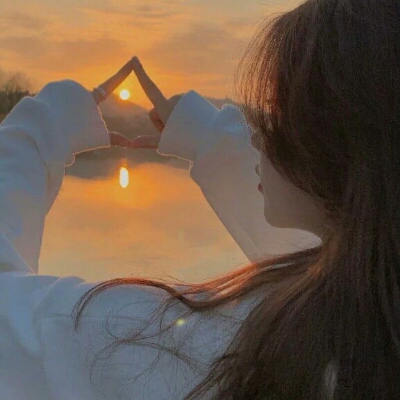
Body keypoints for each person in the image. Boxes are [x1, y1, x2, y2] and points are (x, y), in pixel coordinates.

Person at [0, 0, 398, 398]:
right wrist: (209, 140)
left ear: (346, 147)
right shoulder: (369, 317)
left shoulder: (226, 346)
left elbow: (12, 327)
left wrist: (39, 130)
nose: (258, 137)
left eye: (277, 117)